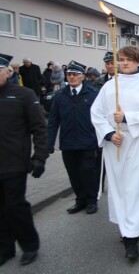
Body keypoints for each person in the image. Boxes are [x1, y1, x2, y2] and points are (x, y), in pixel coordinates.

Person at [90, 46, 139, 261]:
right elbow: (96, 114)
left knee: (136, 188)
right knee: (120, 188)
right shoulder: (109, 87)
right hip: (117, 145)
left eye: (129, 60)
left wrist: (127, 118)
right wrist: (110, 133)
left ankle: (132, 238)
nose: (124, 63)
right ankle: (126, 227)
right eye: (121, 59)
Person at [0, 53, 48, 267]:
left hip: (14, 162)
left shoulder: (23, 95)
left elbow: (39, 128)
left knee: (15, 206)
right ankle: (5, 247)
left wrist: (39, 156)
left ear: (8, 72)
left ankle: (29, 245)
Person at [48, 61, 100, 214]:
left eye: (75, 74)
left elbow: (100, 118)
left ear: (82, 77)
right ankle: (80, 200)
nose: (72, 77)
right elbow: (53, 121)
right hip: (68, 142)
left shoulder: (92, 93)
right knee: (74, 174)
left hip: (88, 142)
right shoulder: (60, 95)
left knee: (87, 172)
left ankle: (91, 200)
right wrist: (49, 143)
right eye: (69, 74)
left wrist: (101, 139)